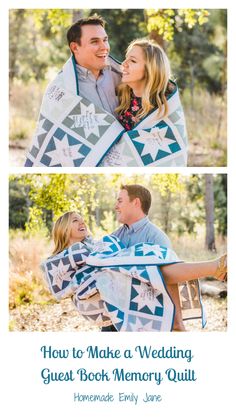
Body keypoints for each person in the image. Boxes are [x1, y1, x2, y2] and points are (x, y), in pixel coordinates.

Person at [116, 39, 175, 130]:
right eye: (126, 58)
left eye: (132, 61)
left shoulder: (165, 104)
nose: (124, 64)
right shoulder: (121, 94)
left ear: (149, 70)